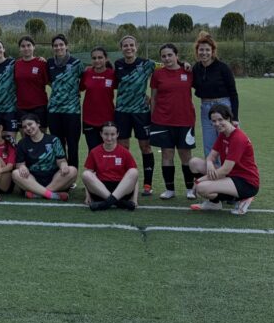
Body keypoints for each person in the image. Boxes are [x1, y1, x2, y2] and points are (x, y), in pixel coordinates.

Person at [188, 104, 259, 215]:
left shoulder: (238, 138)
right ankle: (214, 203)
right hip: (231, 175)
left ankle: (244, 197)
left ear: (228, 118)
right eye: (214, 121)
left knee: (201, 187)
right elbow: (211, 156)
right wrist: (210, 163)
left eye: (220, 119)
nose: (217, 124)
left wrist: (198, 181)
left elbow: (224, 170)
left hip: (246, 182)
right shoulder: (223, 134)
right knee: (194, 163)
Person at [150, 43, 197, 200]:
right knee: (167, 154)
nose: (167, 58)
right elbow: (154, 98)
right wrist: (153, 118)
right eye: (163, 56)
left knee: (186, 155)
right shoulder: (157, 74)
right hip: (162, 120)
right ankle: (169, 189)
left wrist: (187, 65)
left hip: (185, 120)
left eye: (170, 55)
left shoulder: (188, 71)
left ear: (177, 56)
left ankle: (190, 189)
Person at [113, 34, 156, 196]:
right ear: (121, 48)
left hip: (141, 112)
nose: (129, 48)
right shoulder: (117, 64)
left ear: (136, 47)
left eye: (131, 45)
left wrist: (182, 63)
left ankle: (147, 184)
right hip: (122, 112)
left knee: (145, 147)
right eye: (125, 45)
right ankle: (126, 182)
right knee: (123, 148)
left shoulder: (147, 64)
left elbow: (167, 64)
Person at [192, 31, 240, 157]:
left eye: (207, 50)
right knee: (209, 146)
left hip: (224, 106)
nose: (204, 53)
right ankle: (212, 168)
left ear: (213, 51)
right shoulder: (196, 68)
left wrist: (235, 118)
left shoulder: (223, 68)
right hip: (206, 108)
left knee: (228, 145)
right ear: (197, 51)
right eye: (201, 50)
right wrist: (183, 65)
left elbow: (233, 93)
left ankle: (229, 169)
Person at [12, 113, 77, 200]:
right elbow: (19, 164)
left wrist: (63, 165)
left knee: (73, 170)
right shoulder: (22, 143)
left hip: (54, 179)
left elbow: (61, 160)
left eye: (30, 124)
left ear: (38, 123)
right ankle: (51, 195)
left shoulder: (53, 140)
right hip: (33, 180)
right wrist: (22, 167)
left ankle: (38, 194)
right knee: (15, 173)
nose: (28, 128)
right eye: (24, 127)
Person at [47, 34, 84, 170]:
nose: (58, 47)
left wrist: (72, 92)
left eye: (61, 45)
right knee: (58, 145)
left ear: (66, 46)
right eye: (55, 45)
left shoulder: (76, 63)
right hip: (54, 111)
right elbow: (49, 81)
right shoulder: (49, 63)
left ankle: (72, 174)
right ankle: (61, 173)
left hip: (72, 111)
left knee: (72, 145)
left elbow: (83, 81)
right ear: (52, 47)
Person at [82, 121, 138, 211]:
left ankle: (105, 204)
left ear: (117, 134)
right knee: (86, 174)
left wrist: (134, 199)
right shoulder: (94, 152)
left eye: (112, 134)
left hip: (121, 190)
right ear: (101, 134)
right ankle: (118, 203)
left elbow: (135, 179)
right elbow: (87, 179)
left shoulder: (124, 152)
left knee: (133, 171)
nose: (109, 138)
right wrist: (87, 196)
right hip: (100, 191)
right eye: (106, 134)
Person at [80, 46, 116, 153]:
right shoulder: (87, 73)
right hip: (89, 119)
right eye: (94, 58)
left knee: (108, 150)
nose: (97, 60)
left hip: (108, 119)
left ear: (106, 58)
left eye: (100, 57)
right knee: (93, 151)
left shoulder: (112, 74)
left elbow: (126, 88)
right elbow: (79, 88)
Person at [14, 36, 49, 132]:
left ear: (34, 47)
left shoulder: (41, 63)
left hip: (39, 107)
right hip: (22, 107)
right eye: (23, 46)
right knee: (25, 138)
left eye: (29, 45)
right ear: (19, 48)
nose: (26, 48)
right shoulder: (16, 64)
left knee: (41, 137)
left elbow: (49, 82)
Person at [0, 39, 19, 140]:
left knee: (11, 140)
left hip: (11, 108)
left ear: (4, 49)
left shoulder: (13, 63)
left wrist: (40, 58)